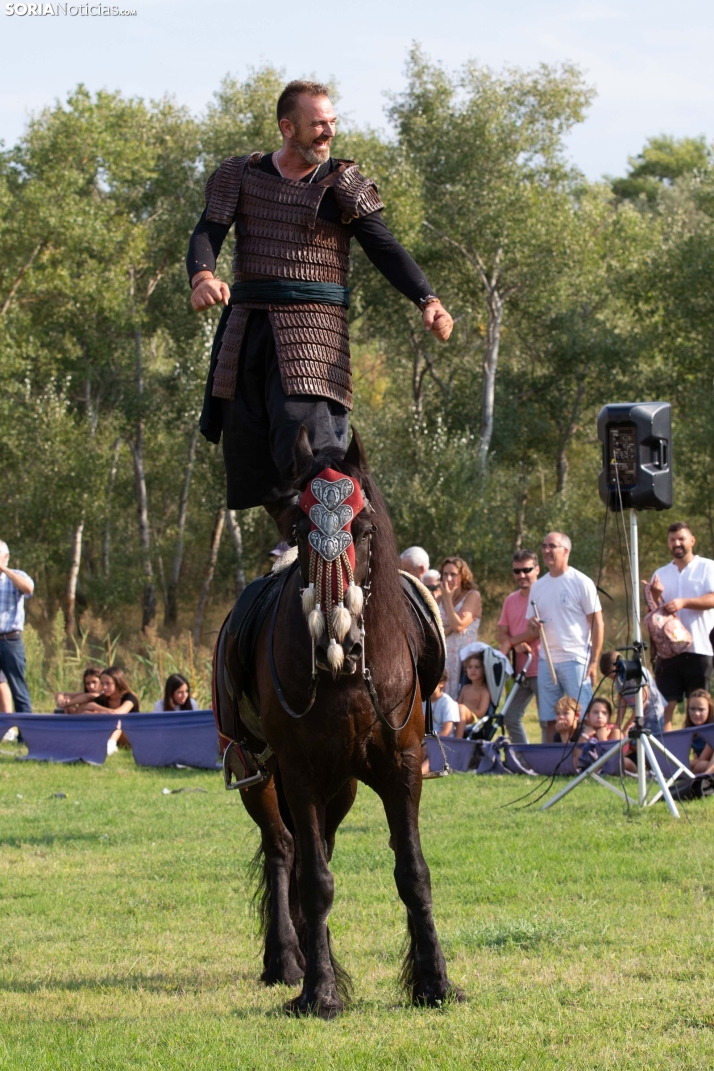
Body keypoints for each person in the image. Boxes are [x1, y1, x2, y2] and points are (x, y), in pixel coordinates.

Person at [187, 80, 453, 520]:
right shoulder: (240, 176)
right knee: (253, 455)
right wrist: (202, 277)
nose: (328, 132)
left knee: (308, 447)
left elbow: (386, 249)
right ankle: (297, 547)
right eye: (318, 124)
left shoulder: (342, 185)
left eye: (332, 122)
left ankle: (342, 546)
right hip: (246, 330)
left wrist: (428, 299)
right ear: (287, 127)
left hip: (313, 336)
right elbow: (207, 231)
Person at [525, 532, 603, 741]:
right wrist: (532, 625)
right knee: (551, 717)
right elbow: (531, 627)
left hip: (576, 659)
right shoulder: (538, 586)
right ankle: (552, 759)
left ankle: (584, 757)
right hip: (546, 660)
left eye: (552, 546)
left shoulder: (581, 582)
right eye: (544, 546)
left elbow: (598, 623)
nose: (546, 550)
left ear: (566, 551)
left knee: (583, 713)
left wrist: (594, 660)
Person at [648, 522, 714, 731]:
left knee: (699, 708)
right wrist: (656, 596)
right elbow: (654, 614)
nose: (677, 543)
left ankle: (699, 759)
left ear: (692, 541)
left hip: (700, 648)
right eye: (672, 540)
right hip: (668, 654)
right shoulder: (661, 573)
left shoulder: (707, 567)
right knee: (665, 706)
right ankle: (667, 759)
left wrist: (684, 602)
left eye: (681, 539)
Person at [497, 548, 541, 744]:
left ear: (537, 569)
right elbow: (501, 633)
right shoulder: (510, 600)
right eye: (517, 571)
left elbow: (536, 632)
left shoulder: (543, 595)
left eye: (527, 570)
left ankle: (549, 761)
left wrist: (511, 642)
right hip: (519, 670)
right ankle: (524, 759)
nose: (522, 575)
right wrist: (515, 644)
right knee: (510, 717)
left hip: (542, 667)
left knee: (547, 719)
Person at [439, 557, 482, 699]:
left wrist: (448, 600)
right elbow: (436, 631)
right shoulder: (439, 599)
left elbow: (458, 627)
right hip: (444, 657)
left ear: (462, 576)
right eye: (445, 574)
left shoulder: (472, 595)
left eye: (453, 574)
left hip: (463, 658)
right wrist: (453, 623)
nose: (448, 578)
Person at [0, 540, 34, 714]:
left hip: (9, 641)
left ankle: (27, 733)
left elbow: (28, 589)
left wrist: (5, 570)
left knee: (17, 687)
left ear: (5, 557)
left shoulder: (16, 576)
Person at [599, 650, 665, 735]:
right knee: (633, 742)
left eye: (615, 676)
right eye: (612, 678)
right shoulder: (619, 680)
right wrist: (617, 726)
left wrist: (628, 725)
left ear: (620, 665)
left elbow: (642, 701)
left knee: (649, 741)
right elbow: (622, 704)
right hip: (638, 716)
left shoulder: (637, 673)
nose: (615, 680)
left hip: (653, 713)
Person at [80, 667, 141, 755]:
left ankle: (111, 745)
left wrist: (100, 710)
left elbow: (118, 714)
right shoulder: (103, 699)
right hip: (112, 735)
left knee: (118, 721)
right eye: (102, 683)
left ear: (117, 683)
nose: (104, 687)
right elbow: (84, 713)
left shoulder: (129, 697)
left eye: (108, 683)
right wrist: (104, 713)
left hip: (132, 736)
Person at [420, 672, 459, 775]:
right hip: (426, 740)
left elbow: (446, 731)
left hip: (444, 742)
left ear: (442, 683)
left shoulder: (448, 703)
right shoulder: (422, 702)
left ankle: (419, 774)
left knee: (431, 754)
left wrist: (428, 743)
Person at [455, 651, 490, 738]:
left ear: (484, 670)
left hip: (473, 719)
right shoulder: (465, 687)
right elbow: (458, 704)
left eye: (477, 667)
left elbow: (481, 713)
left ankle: (457, 740)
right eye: (469, 667)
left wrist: (464, 709)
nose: (473, 670)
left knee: (462, 709)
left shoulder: (484, 691)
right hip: (460, 714)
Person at [684, 690, 714, 773]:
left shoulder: (711, 730)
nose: (696, 713)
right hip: (704, 763)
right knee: (700, 765)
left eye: (701, 709)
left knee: (700, 766)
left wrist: (678, 766)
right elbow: (696, 758)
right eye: (692, 709)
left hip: (709, 763)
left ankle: (706, 776)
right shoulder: (690, 730)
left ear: (709, 710)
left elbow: (702, 758)